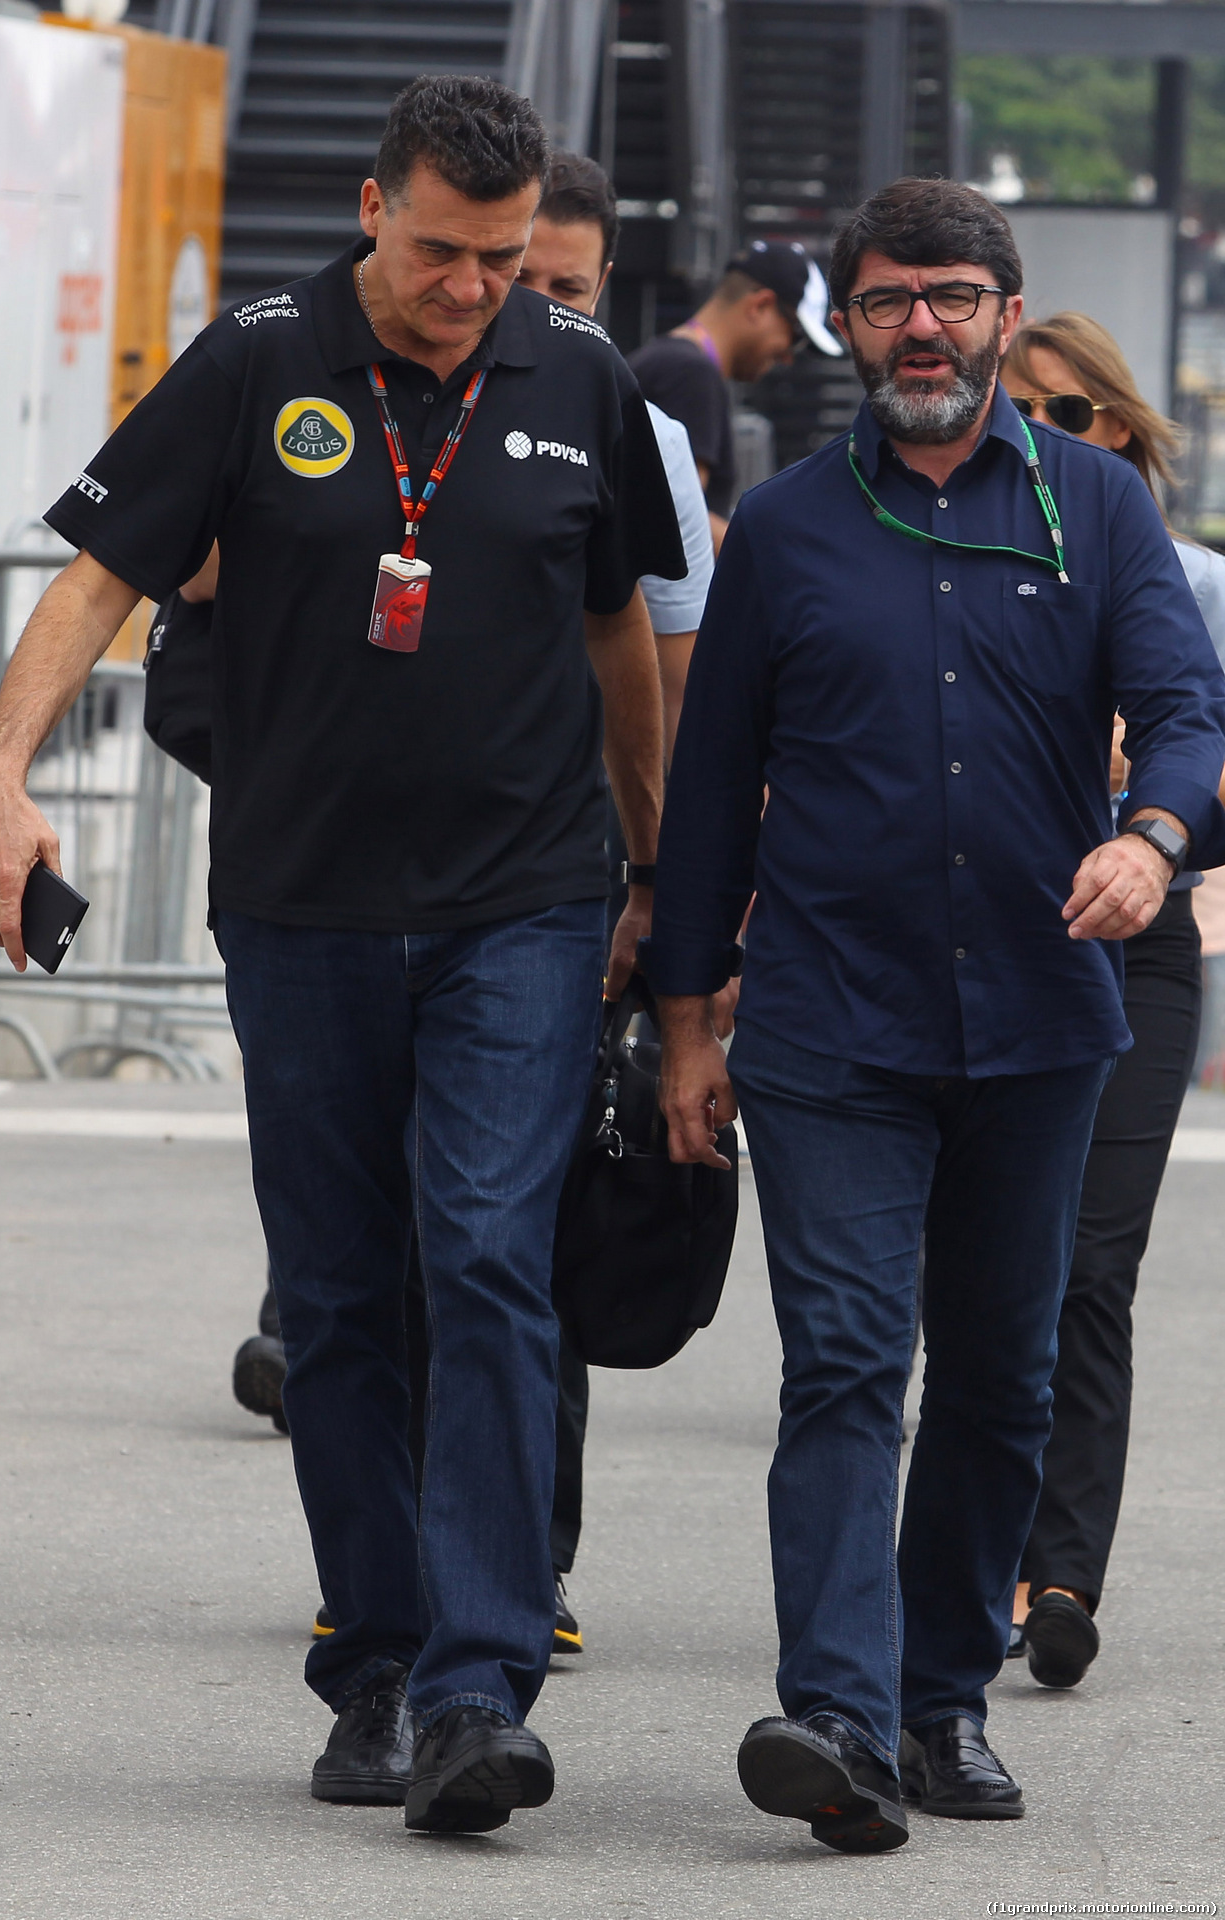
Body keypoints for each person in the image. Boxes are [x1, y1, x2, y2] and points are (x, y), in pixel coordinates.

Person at [0, 74, 686, 1833]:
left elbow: (624, 654)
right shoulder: (256, 358)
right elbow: (94, 584)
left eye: (501, 259)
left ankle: (476, 1685)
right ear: (375, 208)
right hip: (301, 908)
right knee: (344, 1295)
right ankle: (373, 1660)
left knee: (490, 1262)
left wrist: (658, 878)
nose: (470, 287)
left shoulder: (579, 373)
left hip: (523, 906)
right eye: (440, 250)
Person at [644, 177, 1225, 1854]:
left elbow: (1187, 718)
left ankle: (940, 1697)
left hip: (1045, 1021)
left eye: (956, 298)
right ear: (850, 323)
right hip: (832, 1024)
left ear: (1001, 308)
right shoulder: (790, 533)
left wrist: (1152, 834)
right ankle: (834, 1708)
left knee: (999, 1375)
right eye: (893, 298)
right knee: (841, 1361)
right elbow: (712, 798)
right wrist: (689, 1022)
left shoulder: (1099, 511)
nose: (926, 326)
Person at [998, 311, 1225, 1687]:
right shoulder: (961, 560)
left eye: (1074, 418)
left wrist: (1156, 819)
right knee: (983, 1272)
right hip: (982, 941)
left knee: (1094, 1265)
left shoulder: (1196, 582)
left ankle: (1059, 1567)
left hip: (1140, 945)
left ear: (1126, 432)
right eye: (1026, 416)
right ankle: (971, 1541)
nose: (1049, 443)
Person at [515, 148, 717, 1639]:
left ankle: (531, 1552)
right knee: (383, 1241)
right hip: (363, 880)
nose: (530, 314)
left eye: (566, 292)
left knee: (521, 1217)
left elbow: (683, 680)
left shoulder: (638, 434)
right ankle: (391, 1558)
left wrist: (665, 898)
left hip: (568, 883)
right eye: (517, 281)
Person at [628, 238, 843, 551]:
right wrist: (781, 560)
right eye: (795, 336)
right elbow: (677, 517)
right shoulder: (691, 373)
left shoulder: (670, 359)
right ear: (761, 305)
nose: (788, 357)